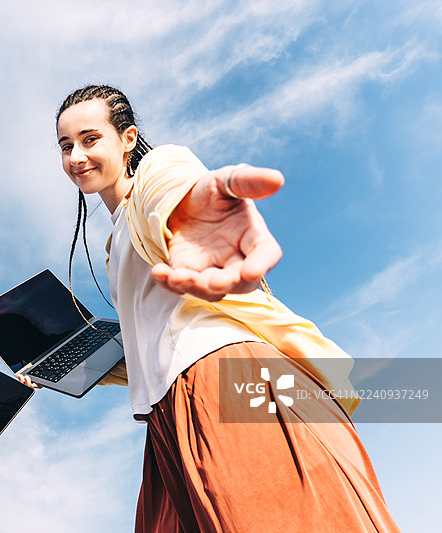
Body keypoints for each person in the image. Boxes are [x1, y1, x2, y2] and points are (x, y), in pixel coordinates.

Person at [36, 85, 400, 532]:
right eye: (66, 146)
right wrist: (57, 366)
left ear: (128, 138)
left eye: (90, 139)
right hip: (169, 409)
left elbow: (176, 196)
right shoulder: (116, 244)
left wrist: (197, 218)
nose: (76, 156)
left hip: (227, 382)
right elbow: (155, 343)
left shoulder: (158, 169)